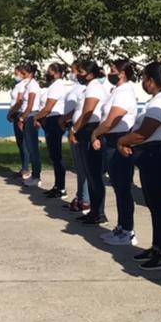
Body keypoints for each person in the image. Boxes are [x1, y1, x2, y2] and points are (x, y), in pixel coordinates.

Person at [118, 62, 161, 271]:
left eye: (144, 78)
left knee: (159, 203)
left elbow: (145, 131)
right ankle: (157, 245)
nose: (142, 82)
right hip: (151, 153)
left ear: (151, 81)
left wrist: (122, 141)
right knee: (154, 203)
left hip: (155, 154)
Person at [91, 58, 139, 247]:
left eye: (113, 69)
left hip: (119, 138)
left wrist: (96, 133)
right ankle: (122, 226)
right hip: (111, 139)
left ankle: (127, 230)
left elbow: (112, 120)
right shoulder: (116, 91)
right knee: (118, 186)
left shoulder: (124, 92)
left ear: (122, 73)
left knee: (123, 187)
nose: (109, 72)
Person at [70, 60, 109, 227]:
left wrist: (74, 129)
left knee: (94, 175)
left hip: (90, 129)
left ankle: (99, 212)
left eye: (81, 72)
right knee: (90, 174)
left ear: (91, 74)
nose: (78, 75)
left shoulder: (94, 87)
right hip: (85, 129)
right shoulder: (89, 86)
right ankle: (94, 211)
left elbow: (88, 111)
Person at [31, 62, 71, 198]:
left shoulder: (56, 86)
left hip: (54, 120)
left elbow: (48, 108)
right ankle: (58, 185)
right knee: (54, 155)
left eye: (48, 71)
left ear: (54, 72)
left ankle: (61, 187)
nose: (46, 74)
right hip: (51, 120)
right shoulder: (56, 86)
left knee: (56, 155)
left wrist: (36, 117)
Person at [62, 62, 89, 213]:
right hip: (73, 126)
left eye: (73, 71)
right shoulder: (77, 88)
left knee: (83, 168)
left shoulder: (85, 89)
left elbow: (84, 110)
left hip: (79, 129)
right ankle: (80, 197)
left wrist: (73, 127)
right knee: (79, 167)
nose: (72, 74)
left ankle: (85, 200)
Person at [6, 65, 32, 179]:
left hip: (20, 114)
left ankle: (26, 169)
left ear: (22, 73)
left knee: (24, 143)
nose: (15, 76)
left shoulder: (24, 85)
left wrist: (11, 112)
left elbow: (19, 101)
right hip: (16, 114)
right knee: (20, 143)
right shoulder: (18, 85)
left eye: (17, 73)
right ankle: (24, 167)